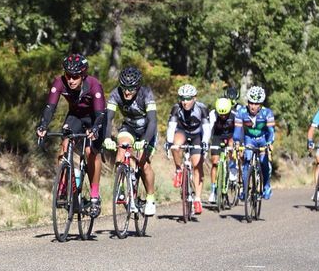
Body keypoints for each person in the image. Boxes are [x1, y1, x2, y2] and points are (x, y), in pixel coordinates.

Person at [35, 53, 105, 218]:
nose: (71, 80)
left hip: (96, 117)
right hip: (75, 116)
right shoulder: (59, 82)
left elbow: (101, 113)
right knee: (65, 144)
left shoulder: (94, 85)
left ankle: (94, 196)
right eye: (68, 76)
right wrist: (43, 125)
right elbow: (50, 107)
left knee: (90, 152)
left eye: (75, 76)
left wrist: (95, 129)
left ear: (82, 75)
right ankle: (65, 183)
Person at [102, 66, 158, 216]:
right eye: (124, 88)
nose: (127, 92)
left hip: (147, 131)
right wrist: (107, 138)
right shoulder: (115, 94)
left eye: (131, 89)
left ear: (138, 86)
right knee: (122, 149)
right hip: (129, 128)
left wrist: (145, 141)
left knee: (143, 163)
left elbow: (152, 121)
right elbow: (108, 119)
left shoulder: (146, 94)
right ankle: (121, 188)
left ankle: (151, 198)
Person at [165, 84, 211, 214]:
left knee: (197, 165)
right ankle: (179, 169)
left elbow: (206, 129)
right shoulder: (176, 108)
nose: (185, 102)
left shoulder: (202, 108)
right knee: (175, 144)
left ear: (194, 98)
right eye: (182, 98)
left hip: (197, 135)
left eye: (188, 98)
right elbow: (171, 127)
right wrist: (169, 142)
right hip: (182, 132)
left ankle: (197, 198)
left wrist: (205, 143)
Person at [234, 86, 275, 200]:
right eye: (251, 103)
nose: (253, 106)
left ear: (261, 104)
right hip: (249, 139)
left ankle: (266, 186)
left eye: (256, 104)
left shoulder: (267, 113)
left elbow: (271, 131)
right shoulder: (241, 112)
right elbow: (237, 131)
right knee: (247, 160)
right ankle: (245, 189)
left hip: (263, 139)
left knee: (263, 161)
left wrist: (270, 142)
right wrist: (237, 142)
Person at [207, 97, 236, 204]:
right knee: (214, 162)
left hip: (231, 135)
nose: (223, 116)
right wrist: (206, 143)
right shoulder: (213, 114)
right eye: (221, 114)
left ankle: (233, 171)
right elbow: (209, 129)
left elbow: (239, 129)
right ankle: (213, 190)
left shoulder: (234, 114)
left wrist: (238, 143)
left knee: (232, 147)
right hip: (217, 136)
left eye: (225, 114)